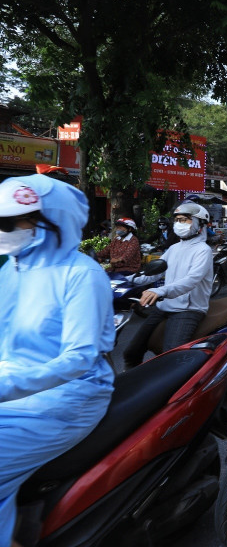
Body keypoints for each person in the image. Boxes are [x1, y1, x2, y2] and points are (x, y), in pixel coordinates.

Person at [0, 175, 114, 545]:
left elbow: (78, 359)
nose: (4, 230)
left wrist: (6, 386)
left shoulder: (81, 274)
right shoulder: (11, 268)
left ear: (52, 219)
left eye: (11, 222)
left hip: (65, 399)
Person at [123, 203, 214, 368]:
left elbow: (191, 280)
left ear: (200, 224)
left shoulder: (203, 250)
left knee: (171, 359)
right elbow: (154, 272)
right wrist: (127, 280)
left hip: (188, 309)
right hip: (165, 305)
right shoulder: (173, 248)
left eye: (185, 220)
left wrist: (160, 290)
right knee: (131, 351)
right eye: (177, 220)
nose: (179, 223)